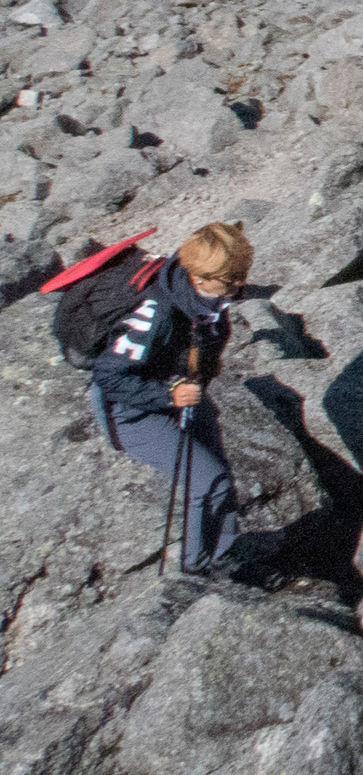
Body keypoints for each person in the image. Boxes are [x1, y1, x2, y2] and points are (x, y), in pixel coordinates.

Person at [91, 222, 253, 574]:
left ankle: (224, 555)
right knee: (210, 483)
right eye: (230, 280)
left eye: (241, 275)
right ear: (199, 275)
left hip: (178, 389)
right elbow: (107, 375)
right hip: (130, 410)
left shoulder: (204, 297)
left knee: (219, 476)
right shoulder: (155, 314)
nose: (239, 285)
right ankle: (195, 571)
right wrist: (169, 394)